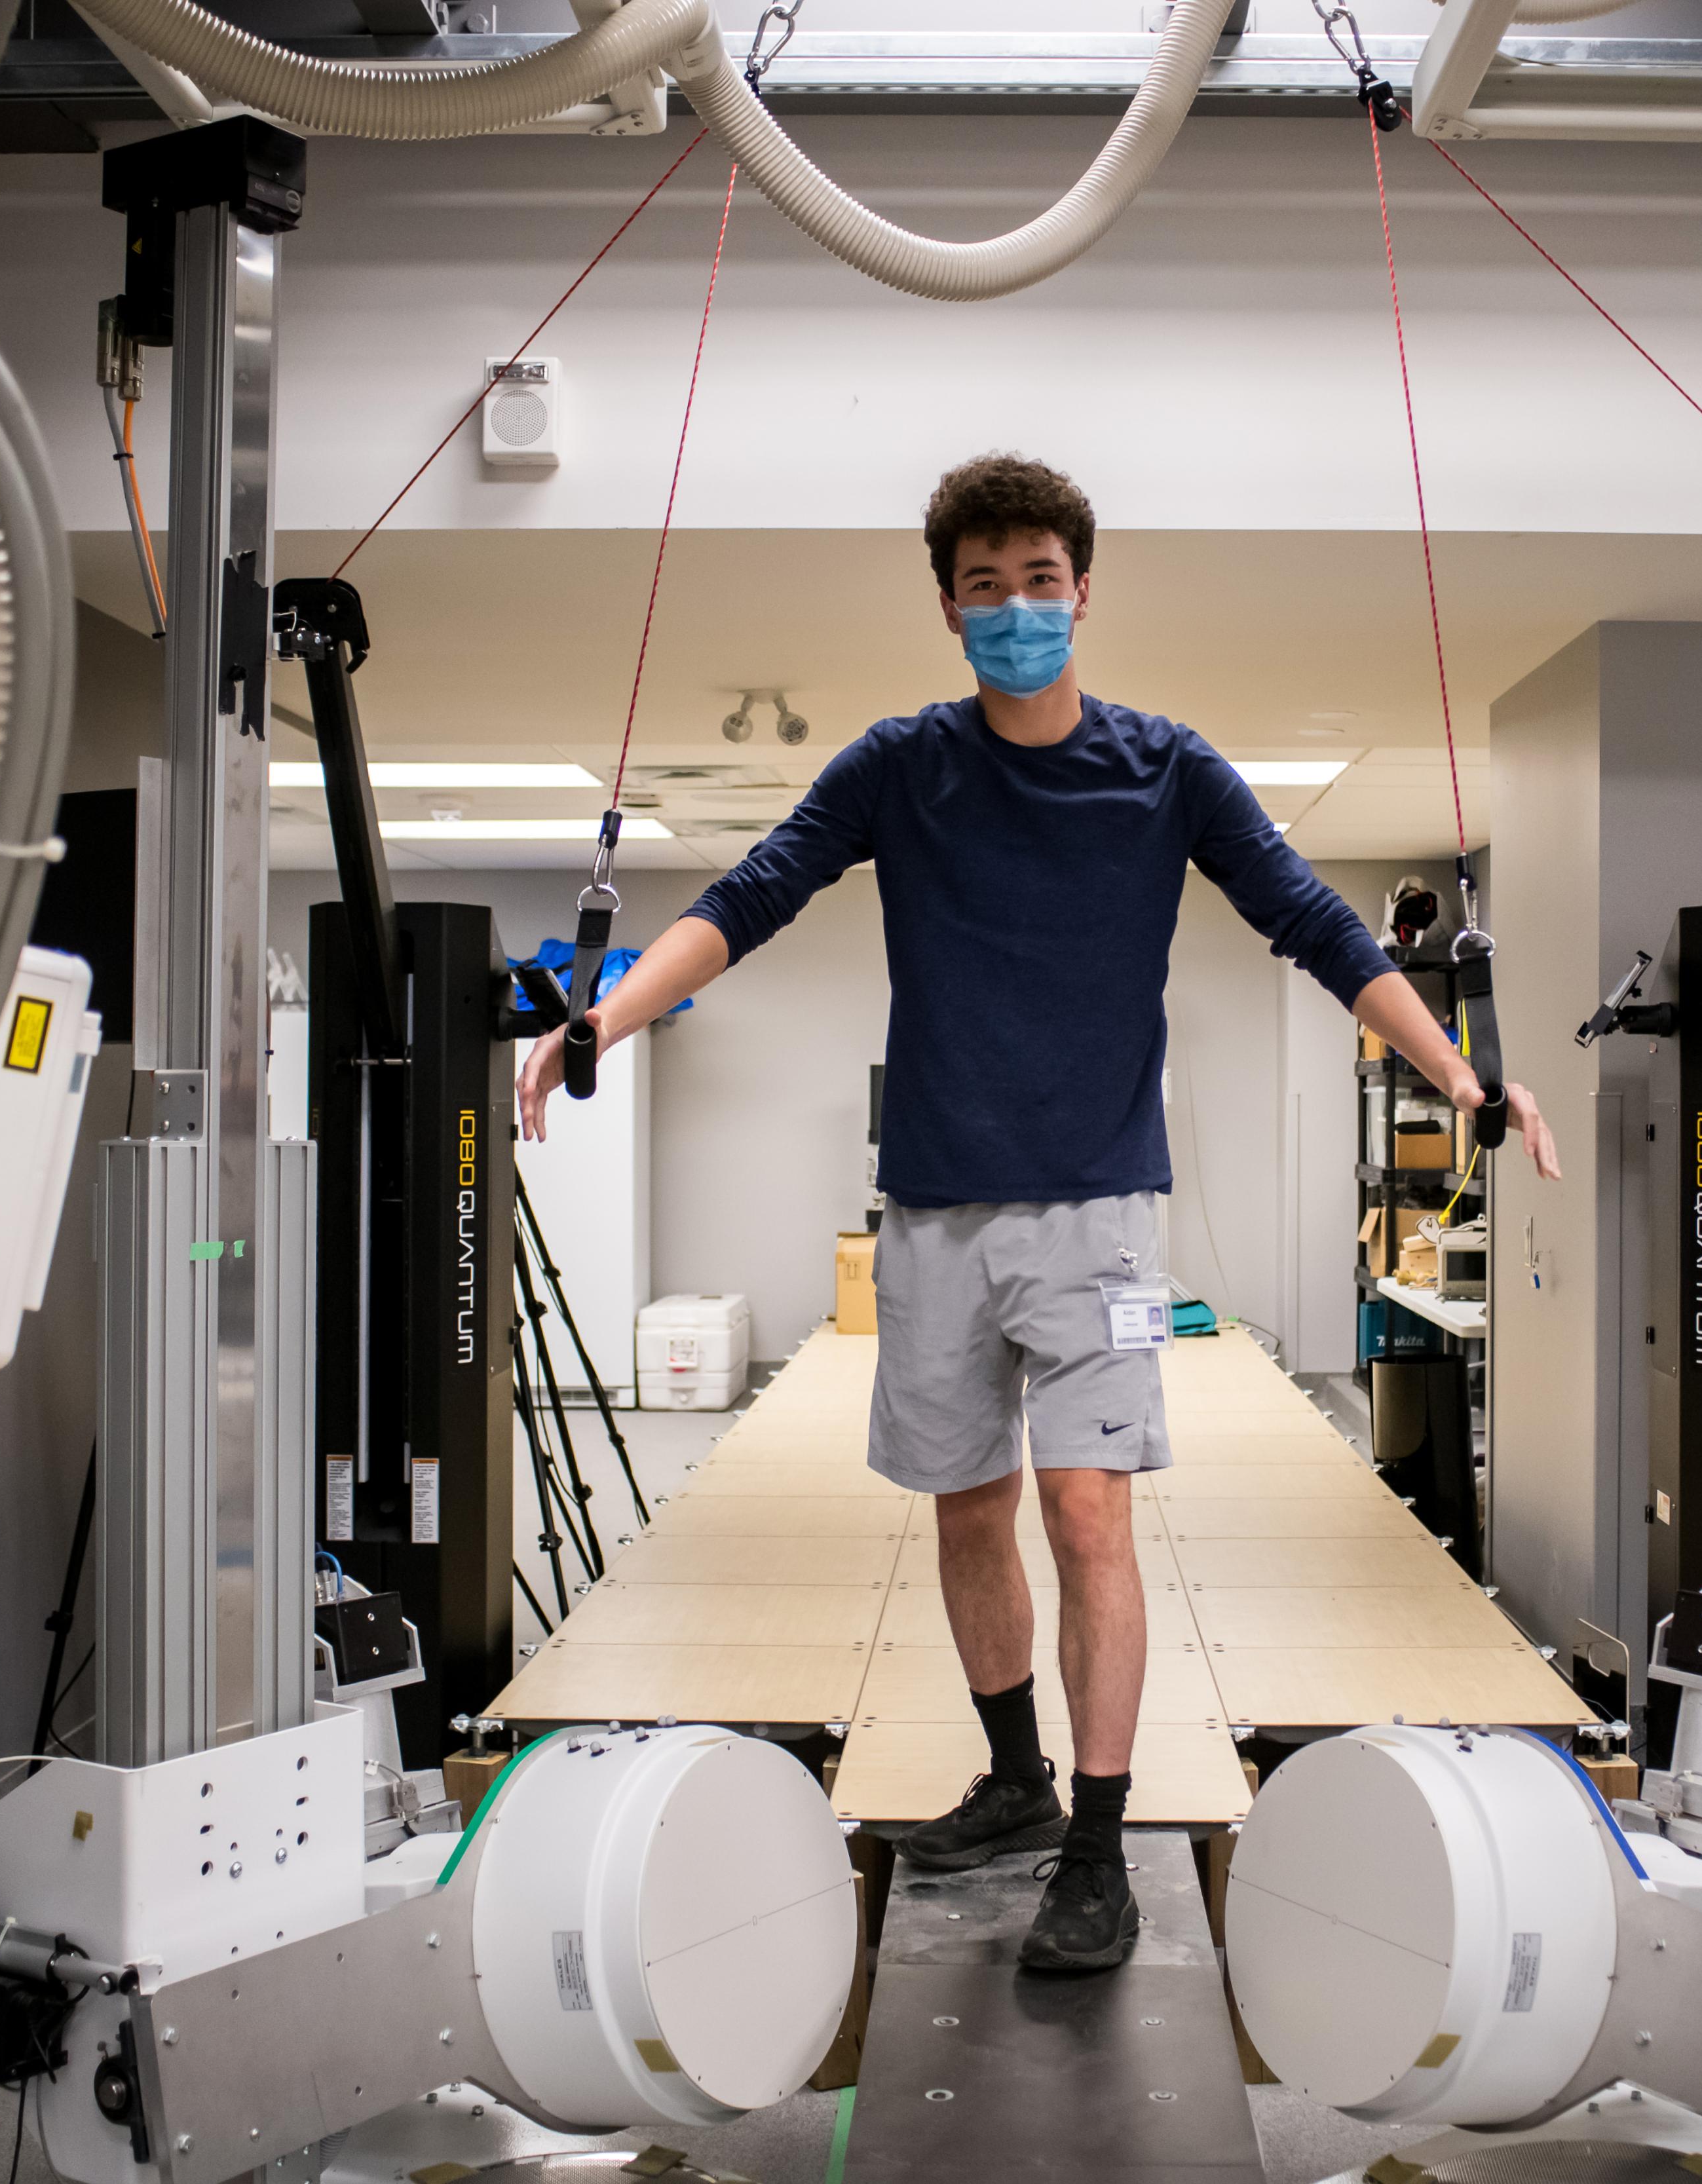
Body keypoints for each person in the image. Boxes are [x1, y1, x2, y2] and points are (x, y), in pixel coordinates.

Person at [516, 453, 1557, 1972]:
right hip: (934, 1208)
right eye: (985, 586)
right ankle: (1014, 1777)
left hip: (1100, 1217)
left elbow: (1320, 926)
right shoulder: (897, 766)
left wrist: (1467, 1077)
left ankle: (1099, 1838)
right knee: (969, 1507)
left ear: (1083, 589)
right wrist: (600, 1016)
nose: (1015, 608)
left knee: (1090, 1511)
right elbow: (748, 896)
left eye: (1040, 580)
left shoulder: (1165, 769)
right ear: (949, 606)